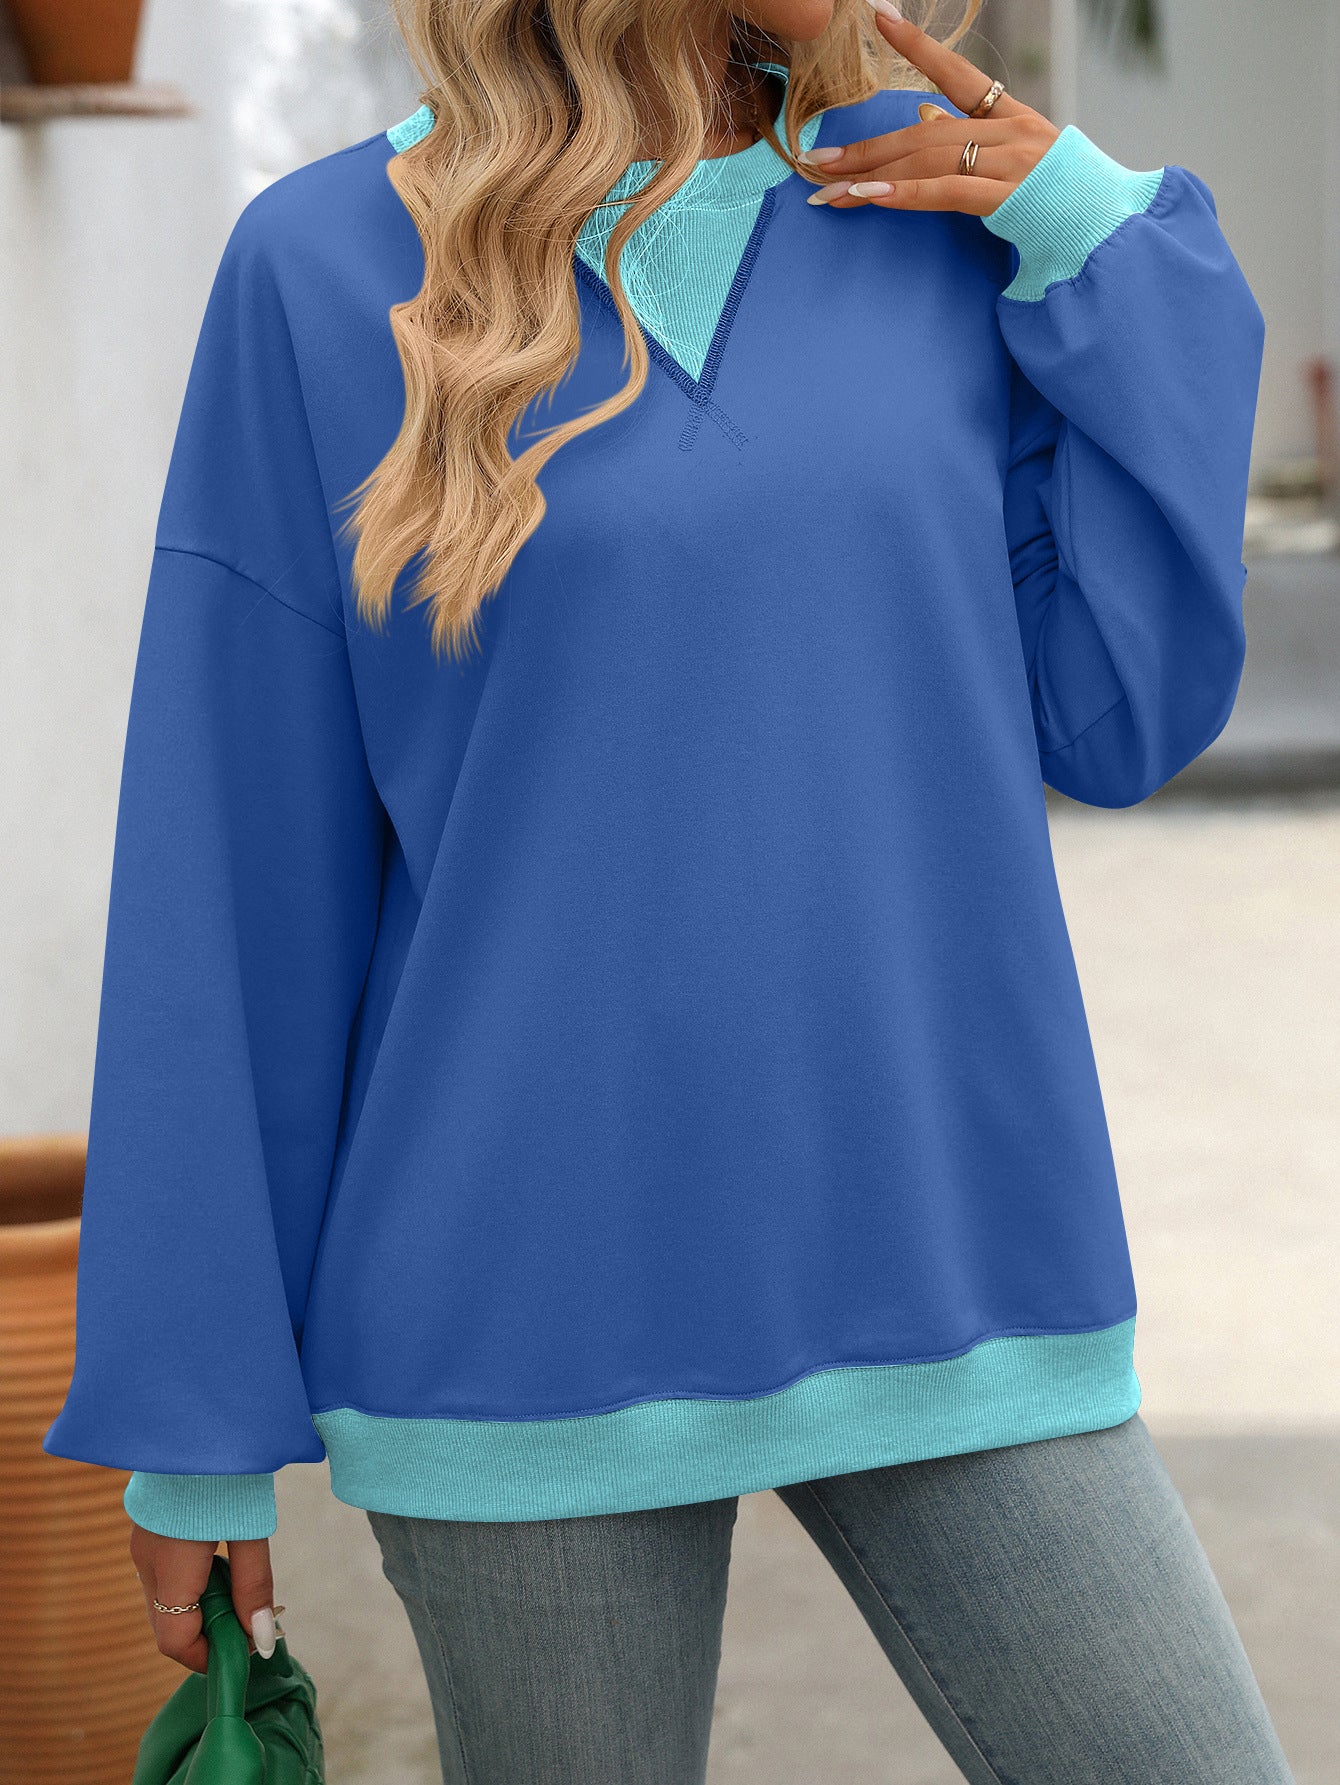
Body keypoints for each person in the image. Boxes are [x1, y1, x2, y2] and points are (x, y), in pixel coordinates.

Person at [43, 0, 1293, 1777]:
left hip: (949, 1254)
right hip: (518, 1312)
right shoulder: (322, 269)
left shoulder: (931, 221)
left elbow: (1117, 709)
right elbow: (233, 874)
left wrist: (1092, 231)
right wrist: (193, 1421)